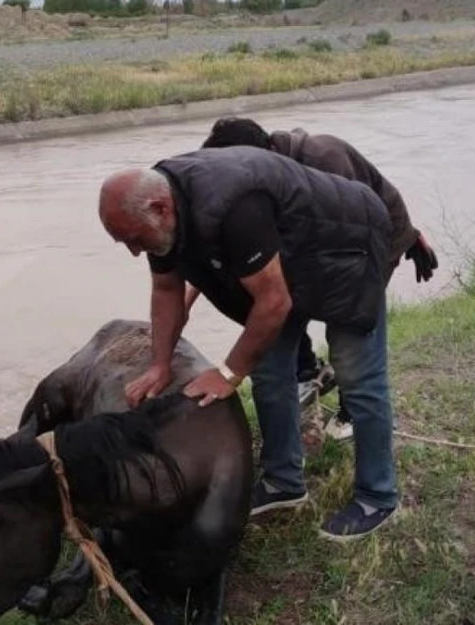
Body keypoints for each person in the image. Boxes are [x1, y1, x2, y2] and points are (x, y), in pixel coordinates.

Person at [97, 144, 398, 540]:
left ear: (159, 209)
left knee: (357, 376)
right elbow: (167, 288)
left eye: (134, 239)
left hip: (349, 247)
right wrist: (159, 363)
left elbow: (274, 301)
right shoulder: (160, 210)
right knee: (271, 371)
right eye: (125, 243)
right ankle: (283, 481)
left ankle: (378, 496)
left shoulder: (234, 205)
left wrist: (227, 372)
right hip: (288, 261)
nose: (136, 251)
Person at [184, 116, 438, 441]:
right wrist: (192, 296)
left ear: (256, 158)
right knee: (271, 300)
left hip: (370, 241)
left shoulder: (324, 158)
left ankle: (355, 406)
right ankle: (308, 368)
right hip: (311, 242)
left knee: (348, 327)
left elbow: (354, 228)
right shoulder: (259, 178)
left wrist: (412, 236)